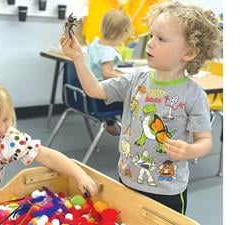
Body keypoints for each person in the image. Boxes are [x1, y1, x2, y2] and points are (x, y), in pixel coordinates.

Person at [60, 0, 221, 214]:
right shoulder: (135, 79)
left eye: (161, 39)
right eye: (152, 35)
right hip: (127, 179)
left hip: (167, 190)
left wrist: (190, 150)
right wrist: (79, 59)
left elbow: (205, 140)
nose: (150, 43)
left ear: (189, 52)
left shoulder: (194, 94)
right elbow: (95, 90)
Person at [87, 9, 132, 135]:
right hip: (101, 99)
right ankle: (130, 131)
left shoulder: (95, 44)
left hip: (90, 94)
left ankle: (110, 122)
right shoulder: (108, 52)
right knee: (134, 98)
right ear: (122, 33)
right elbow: (106, 73)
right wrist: (126, 75)